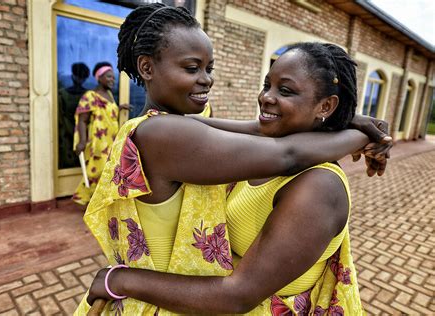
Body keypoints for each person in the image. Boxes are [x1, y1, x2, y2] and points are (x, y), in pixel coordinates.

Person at [76, 4, 390, 315]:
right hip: (161, 300)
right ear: (147, 68)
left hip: (172, 294)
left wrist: (351, 121)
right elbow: (286, 154)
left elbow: (259, 130)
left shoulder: (318, 184)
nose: (206, 80)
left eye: (208, 69)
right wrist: (362, 134)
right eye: (191, 68)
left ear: (325, 106)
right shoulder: (160, 132)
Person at [72, 62, 125, 205]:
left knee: (107, 170)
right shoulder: (90, 96)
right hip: (98, 141)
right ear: (99, 77)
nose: (112, 80)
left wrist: (120, 108)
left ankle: (97, 200)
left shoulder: (109, 95)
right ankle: (87, 199)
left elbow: (107, 111)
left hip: (111, 140)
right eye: (109, 76)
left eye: (113, 77)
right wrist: (82, 141)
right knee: (98, 171)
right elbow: (82, 120)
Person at [58, 62, 90, 169]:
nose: (80, 80)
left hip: (79, 134)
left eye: (82, 77)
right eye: (79, 76)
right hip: (70, 134)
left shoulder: (89, 95)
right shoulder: (63, 94)